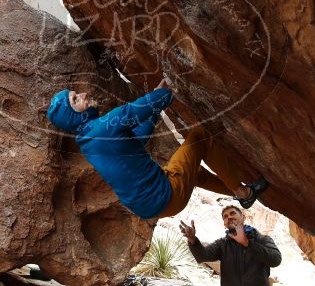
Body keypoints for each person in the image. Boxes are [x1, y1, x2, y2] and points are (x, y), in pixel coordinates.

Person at [45, 82, 268, 219]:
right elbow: (133, 110)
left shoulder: (88, 141)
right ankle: (244, 193)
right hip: (166, 195)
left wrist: (154, 111)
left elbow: (137, 140)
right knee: (201, 136)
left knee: (191, 172)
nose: (83, 95)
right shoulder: (103, 127)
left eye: (77, 93)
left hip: (154, 207)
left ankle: (237, 193)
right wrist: (164, 92)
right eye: (76, 99)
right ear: (73, 115)